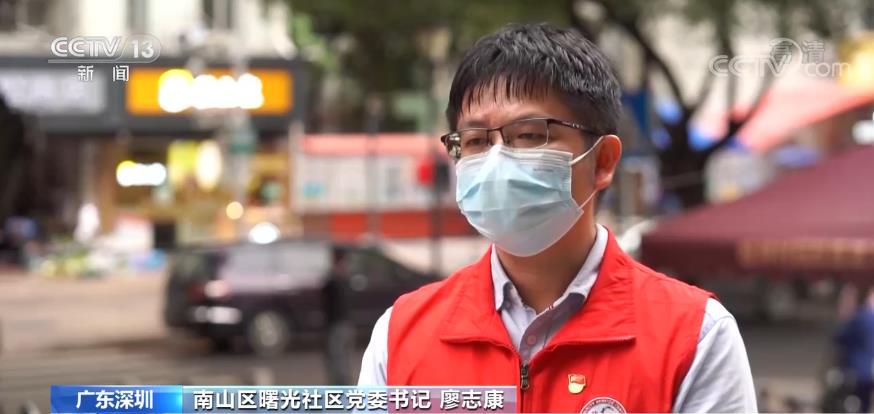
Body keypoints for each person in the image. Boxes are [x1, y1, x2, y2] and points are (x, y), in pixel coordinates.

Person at [356, 23, 757, 413]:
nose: (496, 161)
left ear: (603, 161)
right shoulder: (400, 336)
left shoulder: (694, 336)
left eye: (529, 135)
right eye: (476, 141)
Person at [834, 283, 874, 412]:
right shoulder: (865, 318)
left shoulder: (859, 318)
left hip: (856, 371)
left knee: (851, 403)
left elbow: (839, 339)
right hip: (868, 372)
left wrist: (844, 317)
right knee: (864, 404)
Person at [322, 247, 355, 385]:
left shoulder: (334, 279)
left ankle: (341, 386)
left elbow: (326, 297)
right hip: (346, 323)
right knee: (344, 357)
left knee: (337, 357)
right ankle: (344, 384)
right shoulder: (347, 277)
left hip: (336, 324)